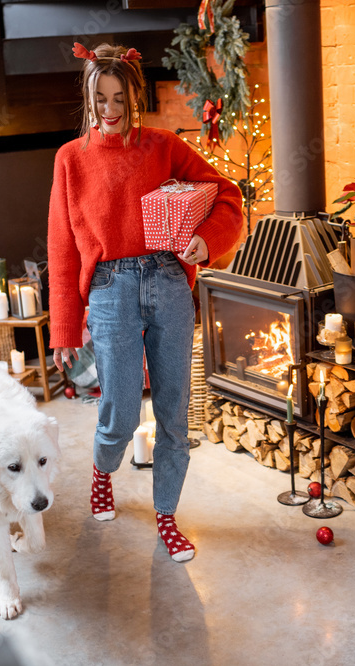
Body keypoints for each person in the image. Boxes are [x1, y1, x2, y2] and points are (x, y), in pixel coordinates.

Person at [47, 42, 243, 562]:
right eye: (100, 99)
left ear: (134, 97)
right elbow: (62, 248)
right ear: (88, 99)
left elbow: (226, 193)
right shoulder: (71, 160)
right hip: (110, 291)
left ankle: (167, 515)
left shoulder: (162, 146)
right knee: (121, 407)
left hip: (168, 282)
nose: (110, 110)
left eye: (119, 98)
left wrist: (207, 240)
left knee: (176, 409)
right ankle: (102, 471)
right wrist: (65, 326)